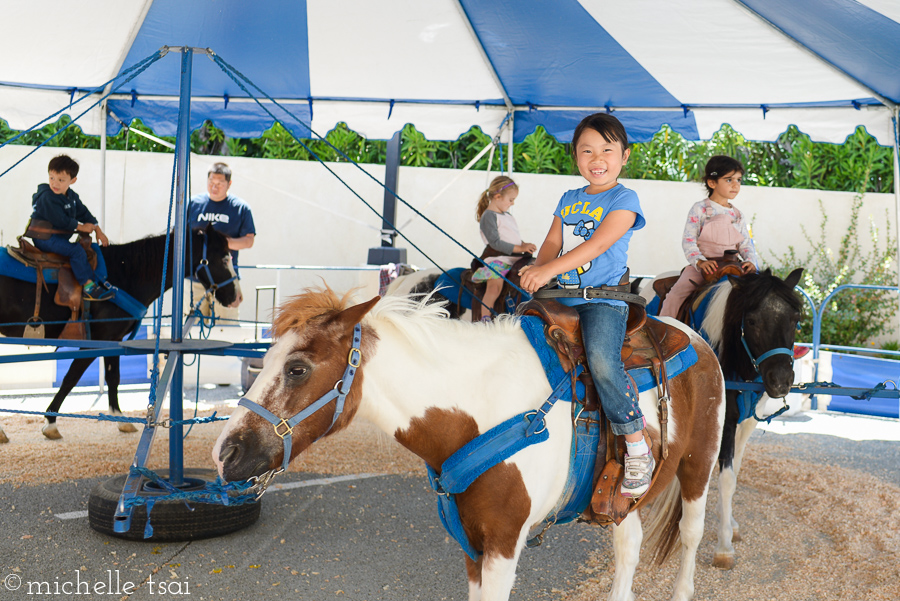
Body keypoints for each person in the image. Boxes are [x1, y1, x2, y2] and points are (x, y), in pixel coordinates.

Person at [519, 113, 653, 498]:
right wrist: (537, 267)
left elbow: (595, 247)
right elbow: (551, 242)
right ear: (575, 157)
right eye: (587, 150)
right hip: (562, 296)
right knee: (515, 329)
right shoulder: (568, 199)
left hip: (603, 301)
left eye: (607, 150)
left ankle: (634, 439)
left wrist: (547, 272)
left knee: (602, 359)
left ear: (624, 156)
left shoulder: (624, 198)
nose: (598, 158)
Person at [659, 155, 758, 318]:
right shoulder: (700, 209)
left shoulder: (738, 215)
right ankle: (664, 329)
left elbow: (746, 244)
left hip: (734, 266)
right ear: (712, 183)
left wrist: (750, 261)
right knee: (676, 294)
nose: (736, 185)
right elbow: (688, 241)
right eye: (729, 180)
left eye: (739, 180)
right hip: (705, 266)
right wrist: (700, 262)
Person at [28, 154, 113, 301]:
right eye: (51, 178)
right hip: (45, 238)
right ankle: (88, 287)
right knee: (76, 251)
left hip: (57, 236)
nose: (55, 183)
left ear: (72, 181)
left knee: (91, 248)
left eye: (61, 180)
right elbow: (60, 220)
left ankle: (98, 280)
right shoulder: (47, 197)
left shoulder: (72, 196)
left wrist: (98, 230)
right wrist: (81, 227)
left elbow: (83, 212)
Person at [187, 162, 255, 319]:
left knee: (226, 328)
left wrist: (219, 244)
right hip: (195, 279)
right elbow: (178, 235)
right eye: (211, 182)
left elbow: (248, 241)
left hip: (226, 280)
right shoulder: (193, 204)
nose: (214, 187)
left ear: (229, 184)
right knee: (193, 327)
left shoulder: (240, 208)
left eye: (219, 184)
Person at [471, 176, 537, 321]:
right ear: (498, 197)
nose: (512, 203)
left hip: (516, 257)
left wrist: (525, 245)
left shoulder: (508, 216)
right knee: (494, 287)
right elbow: (495, 243)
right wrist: (520, 247)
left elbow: (513, 238)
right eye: (511, 199)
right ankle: (485, 317)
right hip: (498, 258)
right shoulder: (488, 216)